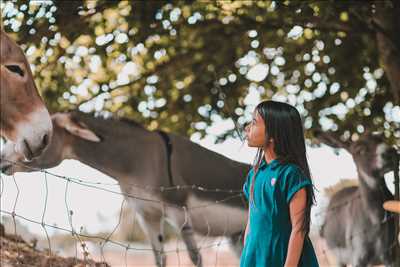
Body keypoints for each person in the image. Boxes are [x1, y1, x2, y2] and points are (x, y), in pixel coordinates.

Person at [240, 100, 319, 267]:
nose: (247, 127)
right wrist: (246, 258)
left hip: (285, 258)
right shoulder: (254, 174)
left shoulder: (291, 175)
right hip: (256, 258)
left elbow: (299, 229)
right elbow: (251, 224)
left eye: (254, 122)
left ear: (274, 135)